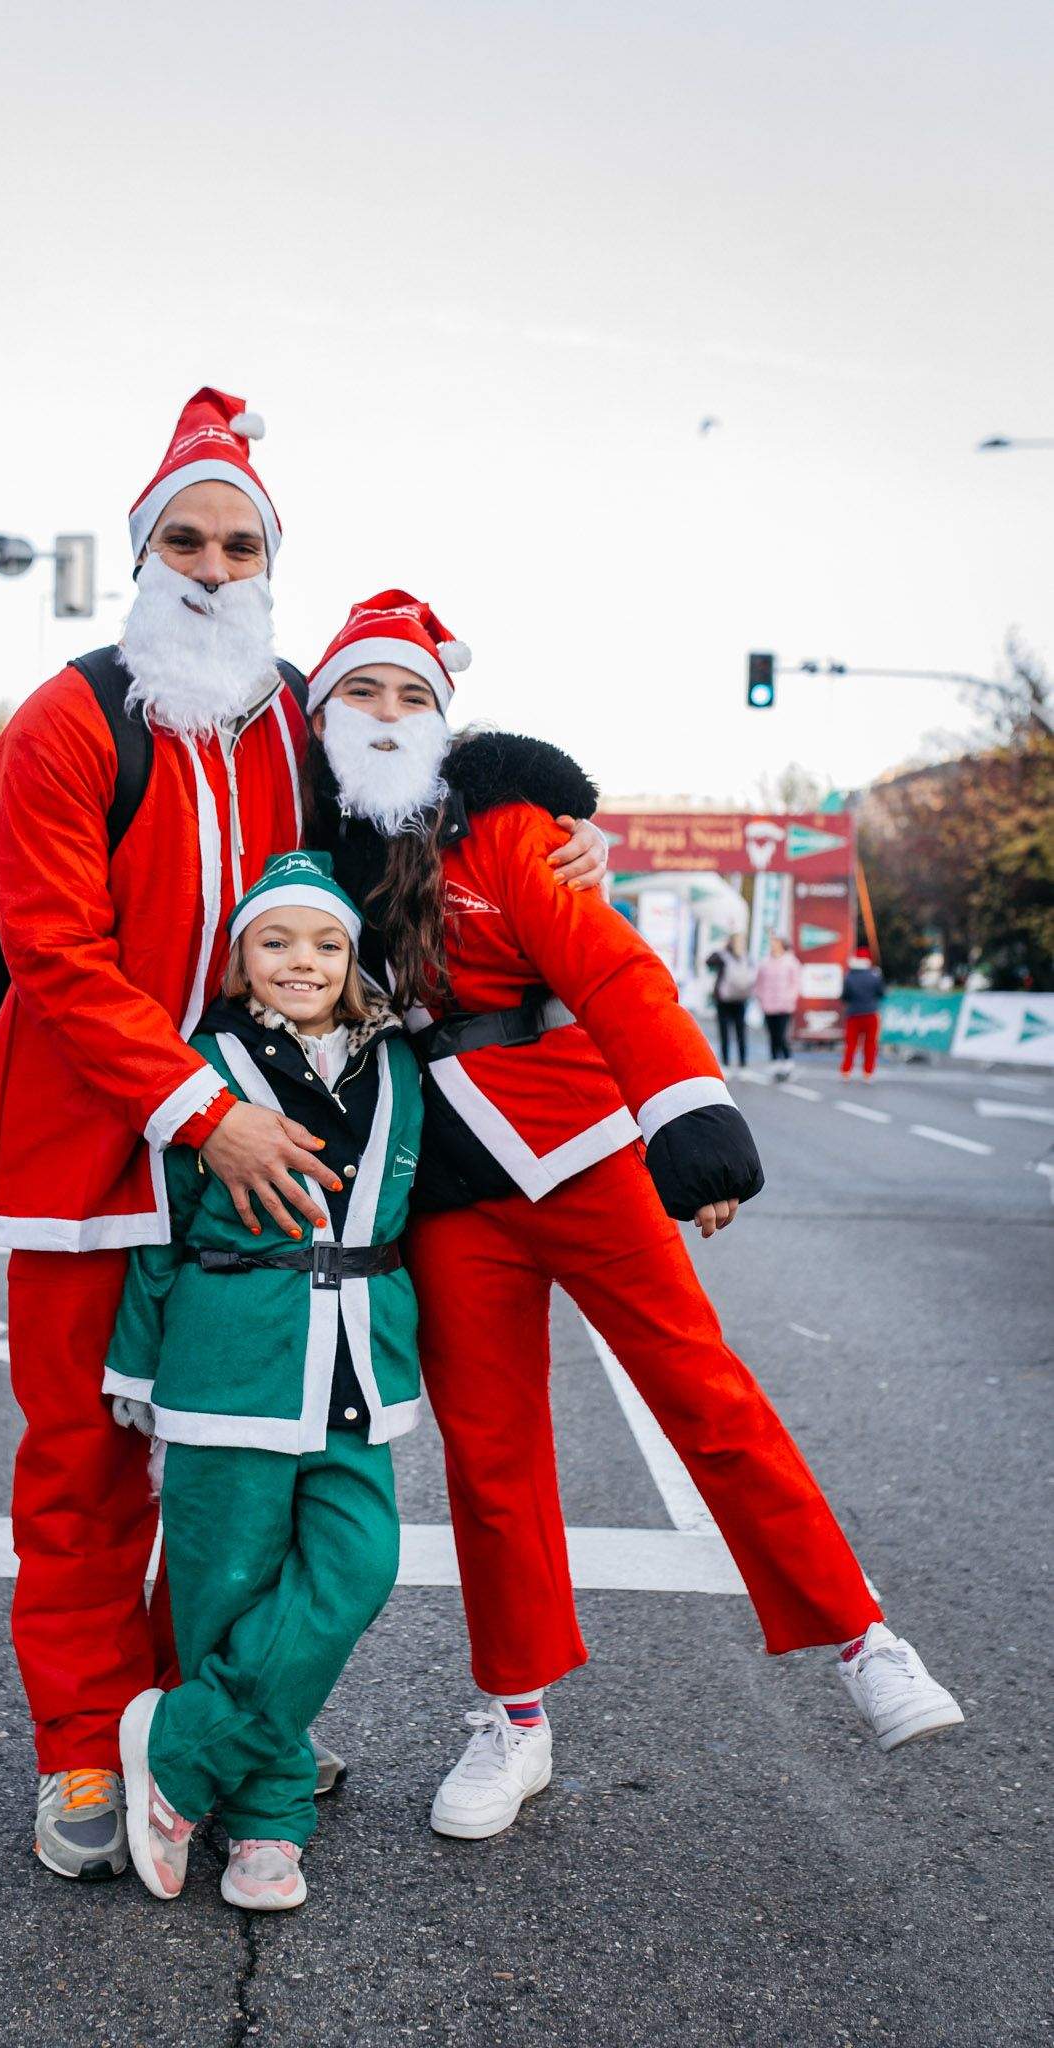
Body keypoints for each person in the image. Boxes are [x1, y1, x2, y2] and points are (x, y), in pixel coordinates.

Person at [0, 392, 604, 1882]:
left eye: (237, 542)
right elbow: (50, 954)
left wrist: (573, 827)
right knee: (83, 1466)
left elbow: (427, 798)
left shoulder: (300, 713)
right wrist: (206, 1110)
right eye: (182, 537)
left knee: (240, 1480)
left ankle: (216, 1719)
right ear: (141, 552)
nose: (209, 564)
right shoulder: (68, 718)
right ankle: (82, 1741)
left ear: (269, 561)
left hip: (269, 1142)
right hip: (99, 1153)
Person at [303, 590, 962, 1842]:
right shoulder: (313, 844)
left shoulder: (505, 829)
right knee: (492, 1462)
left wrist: (687, 1119)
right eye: (360, 693)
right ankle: (514, 1716)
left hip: (588, 1147)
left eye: (412, 696)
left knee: (705, 1393)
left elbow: (608, 970)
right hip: (448, 1188)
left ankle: (863, 1636)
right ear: (324, 712)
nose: (386, 717)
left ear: (445, 718)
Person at [107, 852, 422, 1911]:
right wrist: (136, 1363)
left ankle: (179, 1752)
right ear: (239, 959)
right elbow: (159, 1220)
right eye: (277, 940)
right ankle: (270, 1822)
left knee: (358, 1563)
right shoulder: (201, 1061)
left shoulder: (398, 1064)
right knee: (225, 1587)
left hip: (356, 1358)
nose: (303, 960)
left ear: (354, 959)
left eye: (327, 942)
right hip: (229, 1353)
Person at [705, 932, 754, 1072]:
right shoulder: (736, 957)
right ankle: (734, 1063)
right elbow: (709, 961)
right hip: (731, 1000)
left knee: (733, 1032)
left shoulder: (737, 957)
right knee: (732, 1032)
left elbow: (708, 962)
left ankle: (735, 1063)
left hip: (733, 999)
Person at [755, 933, 801, 1078]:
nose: (773, 945)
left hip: (784, 1005)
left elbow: (796, 983)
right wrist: (761, 997)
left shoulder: (791, 962)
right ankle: (775, 1061)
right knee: (772, 1035)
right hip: (768, 1005)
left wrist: (790, 998)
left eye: (775, 942)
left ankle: (787, 1060)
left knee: (782, 1035)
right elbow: (759, 982)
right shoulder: (765, 962)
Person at [841, 945, 886, 1081]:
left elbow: (845, 996)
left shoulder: (849, 976)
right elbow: (881, 993)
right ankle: (868, 1072)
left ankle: (846, 1070)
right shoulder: (874, 976)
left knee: (851, 1044)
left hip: (853, 1014)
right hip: (871, 1013)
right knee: (870, 1044)